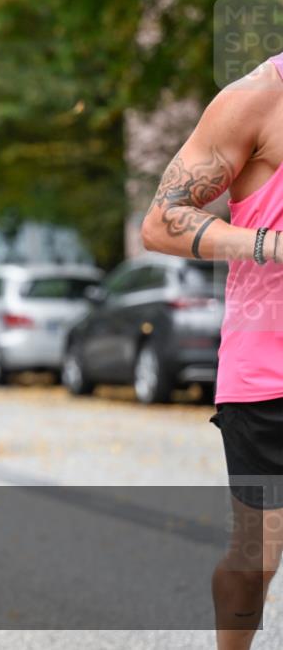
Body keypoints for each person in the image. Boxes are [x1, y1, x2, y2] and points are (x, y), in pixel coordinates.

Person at [140, 53, 283, 650]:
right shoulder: (257, 99)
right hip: (269, 375)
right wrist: (270, 244)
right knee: (256, 560)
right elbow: (161, 222)